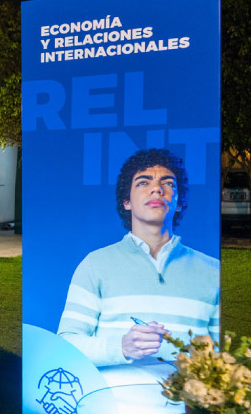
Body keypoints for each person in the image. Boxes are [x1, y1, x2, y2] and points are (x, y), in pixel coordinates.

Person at [57, 149, 219, 367]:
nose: (157, 189)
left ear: (179, 202)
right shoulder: (95, 265)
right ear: (127, 201)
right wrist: (122, 347)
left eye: (168, 183)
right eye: (143, 182)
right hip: (113, 391)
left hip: (189, 390)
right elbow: (66, 345)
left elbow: (224, 356)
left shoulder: (213, 271)